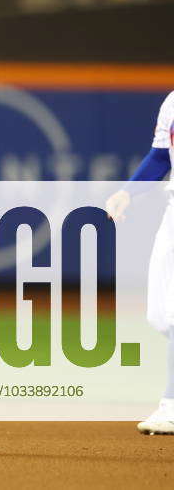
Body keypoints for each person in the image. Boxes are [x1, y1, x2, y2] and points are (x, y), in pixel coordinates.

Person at [105, 91, 174, 435]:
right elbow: (161, 157)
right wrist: (127, 192)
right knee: (159, 315)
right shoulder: (172, 102)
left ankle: (171, 405)